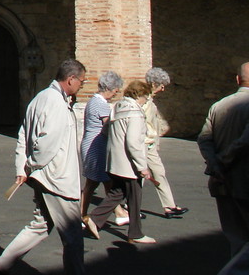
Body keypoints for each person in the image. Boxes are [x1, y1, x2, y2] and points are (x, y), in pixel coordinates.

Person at [0, 60, 87, 275]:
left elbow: (23, 134)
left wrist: (21, 167)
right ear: (70, 79)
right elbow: (47, 143)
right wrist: (31, 165)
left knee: (41, 224)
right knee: (73, 235)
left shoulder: (39, 98)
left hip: (44, 176)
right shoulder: (56, 104)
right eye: (82, 81)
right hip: (57, 178)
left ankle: (2, 263)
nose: (82, 85)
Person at [198, 61, 249, 275]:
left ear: (237, 80)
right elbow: (246, 142)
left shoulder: (219, 105)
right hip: (248, 180)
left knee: (237, 238)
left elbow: (204, 139)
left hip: (220, 180)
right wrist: (222, 162)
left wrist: (215, 164)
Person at [87, 79, 155, 244]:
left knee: (117, 193)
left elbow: (106, 130)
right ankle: (135, 233)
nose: (146, 100)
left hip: (114, 160)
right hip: (128, 163)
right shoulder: (135, 112)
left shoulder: (117, 107)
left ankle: (94, 219)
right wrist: (142, 167)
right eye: (146, 97)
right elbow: (133, 142)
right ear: (140, 95)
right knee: (134, 197)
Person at [80, 71, 127, 225]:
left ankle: (118, 212)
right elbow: (107, 127)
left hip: (91, 143)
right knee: (93, 183)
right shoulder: (101, 104)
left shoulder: (93, 101)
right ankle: (82, 215)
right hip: (97, 146)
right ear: (109, 88)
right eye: (115, 90)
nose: (116, 93)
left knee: (105, 181)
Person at [144, 67, 188, 218]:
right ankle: (125, 206)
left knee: (159, 173)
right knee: (138, 178)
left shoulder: (149, 100)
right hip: (142, 144)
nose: (163, 89)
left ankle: (169, 206)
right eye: (161, 85)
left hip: (149, 144)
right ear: (154, 83)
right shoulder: (143, 100)